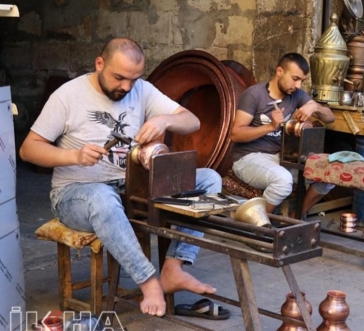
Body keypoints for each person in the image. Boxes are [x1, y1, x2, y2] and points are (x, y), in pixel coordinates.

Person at [19, 38, 222, 317]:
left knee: (209, 180)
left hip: (131, 188)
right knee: (102, 198)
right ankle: (149, 282)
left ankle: (174, 268)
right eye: (119, 77)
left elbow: (192, 121)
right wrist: (74, 156)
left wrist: (164, 120)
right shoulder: (67, 96)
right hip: (76, 193)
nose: (126, 87)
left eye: (133, 78)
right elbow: (28, 149)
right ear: (99, 63)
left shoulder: (142, 90)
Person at [230, 53, 336, 215]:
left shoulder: (296, 94)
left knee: (329, 174)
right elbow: (235, 134)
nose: (298, 85)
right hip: (248, 158)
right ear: (280, 71)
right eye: (295, 78)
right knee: (283, 180)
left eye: (302, 80)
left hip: (281, 158)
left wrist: (314, 106)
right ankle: (257, 225)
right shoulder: (254, 95)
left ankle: (297, 216)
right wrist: (270, 127)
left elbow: (330, 117)